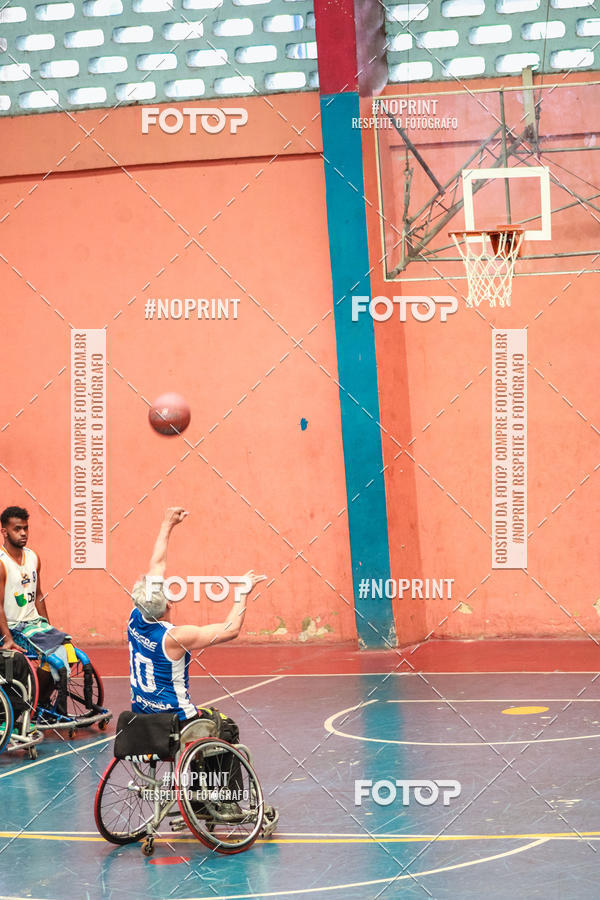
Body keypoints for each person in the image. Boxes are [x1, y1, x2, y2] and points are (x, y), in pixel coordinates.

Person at [129, 505, 264, 721]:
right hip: (177, 720)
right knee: (226, 726)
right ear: (170, 604)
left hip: (142, 718)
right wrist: (242, 592)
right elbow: (231, 630)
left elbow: (157, 564)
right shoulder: (175, 637)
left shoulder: (135, 617)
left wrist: (167, 524)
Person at [0, 506, 71, 713]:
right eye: (17, 529)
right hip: (12, 627)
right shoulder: (2, 564)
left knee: (66, 648)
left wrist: (47, 626)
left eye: (26, 529)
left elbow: (38, 595)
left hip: (33, 624)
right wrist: (7, 639)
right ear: (4, 531)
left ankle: (41, 700)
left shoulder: (33, 557)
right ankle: (32, 703)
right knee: (51, 658)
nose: (23, 533)